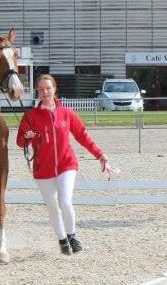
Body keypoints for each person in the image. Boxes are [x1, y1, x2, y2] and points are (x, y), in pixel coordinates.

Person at [16, 74, 111, 255]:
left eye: (48, 88)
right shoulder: (30, 116)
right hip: (42, 168)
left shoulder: (66, 113)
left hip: (67, 164)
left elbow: (82, 136)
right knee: (52, 206)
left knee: (65, 202)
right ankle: (62, 240)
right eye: (41, 89)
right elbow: (20, 142)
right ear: (38, 91)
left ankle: (72, 236)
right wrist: (26, 137)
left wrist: (99, 154)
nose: (45, 92)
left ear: (54, 89)